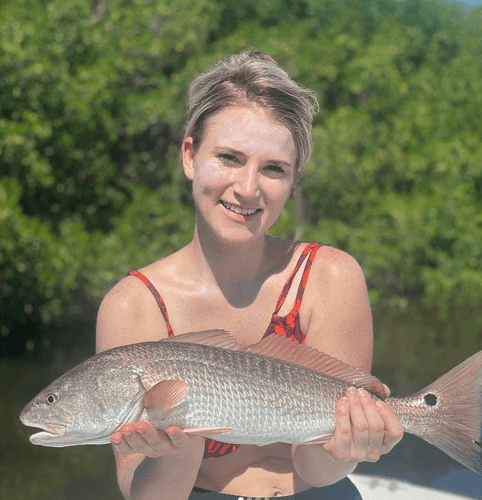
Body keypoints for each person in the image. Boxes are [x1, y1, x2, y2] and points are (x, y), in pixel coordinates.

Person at [96, 50, 404, 500]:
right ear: (189, 156)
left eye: (273, 168)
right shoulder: (132, 304)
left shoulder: (331, 277)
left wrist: (348, 446)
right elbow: (144, 493)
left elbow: (320, 472)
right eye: (229, 157)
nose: (247, 188)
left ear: (294, 179)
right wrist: (177, 450)